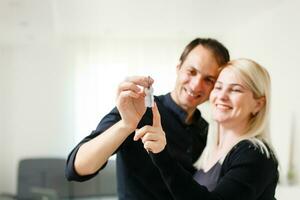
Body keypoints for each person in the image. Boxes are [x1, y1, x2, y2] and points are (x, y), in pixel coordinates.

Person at [65, 38, 230, 200]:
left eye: (208, 79)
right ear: (178, 68)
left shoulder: (208, 131)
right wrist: (126, 125)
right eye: (191, 71)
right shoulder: (138, 108)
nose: (196, 85)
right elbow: (77, 168)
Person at [136, 58, 279, 200]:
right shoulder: (209, 149)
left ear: (258, 104)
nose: (222, 96)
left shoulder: (256, 154)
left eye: (235, 90)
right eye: (218, 87)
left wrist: (161, 154)